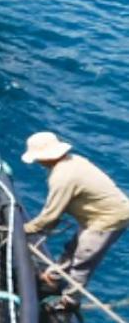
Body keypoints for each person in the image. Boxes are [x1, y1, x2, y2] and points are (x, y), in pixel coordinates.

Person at [21, 131, 129, 305]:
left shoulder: (62, 177)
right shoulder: (73, 161)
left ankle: (69, 301)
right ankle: (54, 278)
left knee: (82, 261)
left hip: (106, 221)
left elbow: (51, 214)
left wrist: (25, 229)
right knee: (72, 248)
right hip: (99, 215)